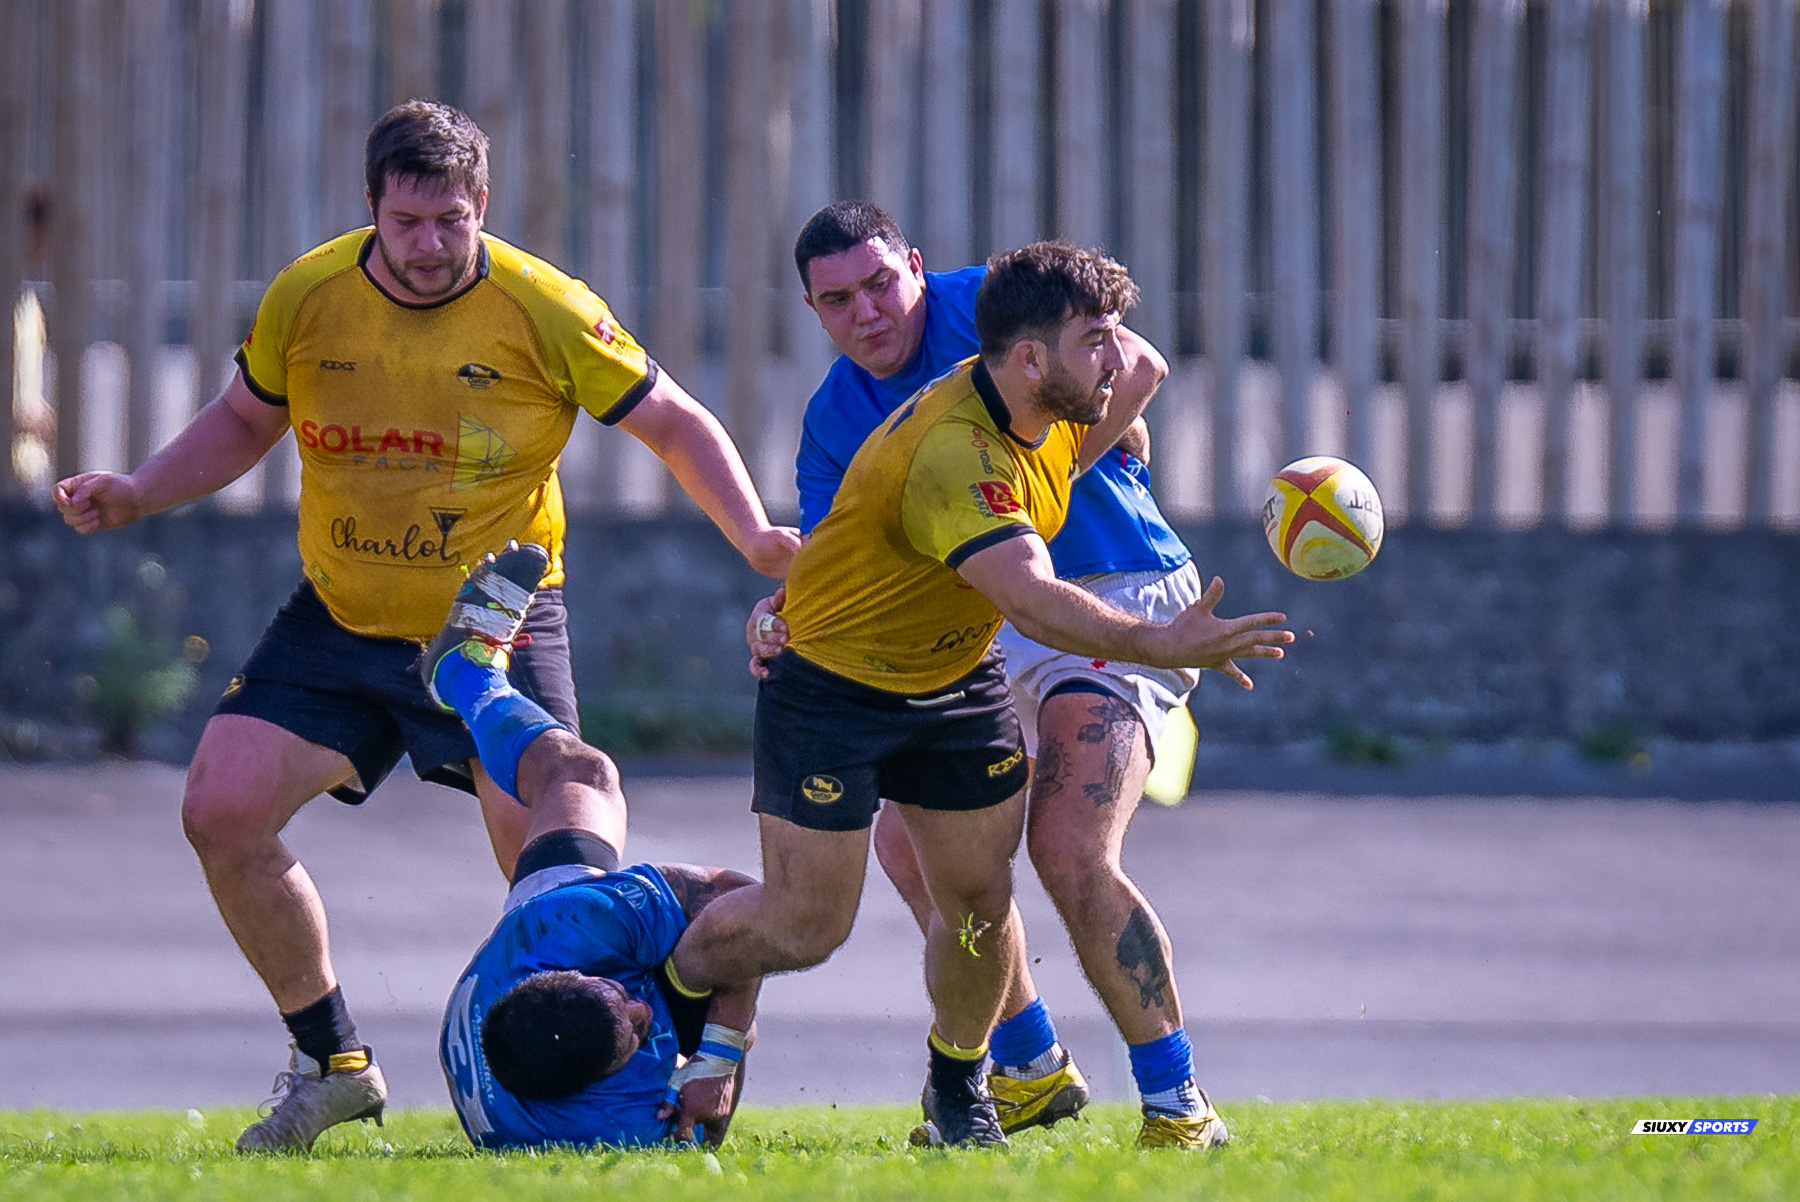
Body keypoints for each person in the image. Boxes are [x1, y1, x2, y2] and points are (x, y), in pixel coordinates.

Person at [52, 101, 797, 1153]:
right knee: (220, 808)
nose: (431, 244)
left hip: (497, 619)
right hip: (342, 619)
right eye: (407, 222)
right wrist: (139, 490)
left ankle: (670, 1087)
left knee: (563, 899)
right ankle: (333, 1066)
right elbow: (243, 419)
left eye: (452, 219)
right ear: (371, 206)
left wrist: (755, 533)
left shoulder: (545, 307)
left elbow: (672, 419)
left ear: (481, 203)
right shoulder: (309, 295)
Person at [668, 240, 1293, 1148]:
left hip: (1112, 595)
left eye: (881, 283)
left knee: (1064, 849)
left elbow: (1140, 368)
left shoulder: (997, 313)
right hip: (978, 625)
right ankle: (1028, 1066)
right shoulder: (877, 422)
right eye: (838, 299)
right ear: (811, 310)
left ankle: (1174, 1104)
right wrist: (786, 609)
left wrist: (1065, 467)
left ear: (917, 269)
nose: (869, 311)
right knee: (886, 870)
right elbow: (860, 551)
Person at [431, 544, 760, 1150]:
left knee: (583, 774)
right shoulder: (618, 1126)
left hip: (525, 949)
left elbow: (733, 894)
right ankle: (464, 677)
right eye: (637, 1032)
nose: (643, 1008)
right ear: (603, 1082)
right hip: (544, 1024)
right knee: (723, 982)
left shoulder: (564, 931)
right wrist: (717, 1060)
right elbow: (751, 920)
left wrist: (710, 1053)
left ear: (574, 974)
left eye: (623, 998)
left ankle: (463, 674)